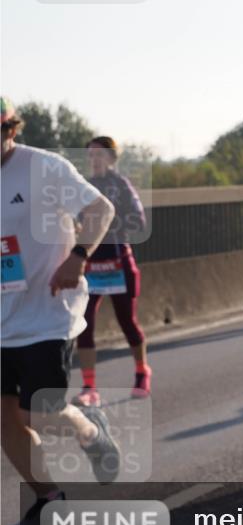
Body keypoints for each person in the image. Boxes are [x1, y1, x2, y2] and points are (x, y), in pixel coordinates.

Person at [1, 97, 122, 525]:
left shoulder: (43, 168)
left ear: (11, 129)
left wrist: (78, 256)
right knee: (5, 419)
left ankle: (90, 429)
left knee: (40, 414)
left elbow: (100, 210)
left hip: (46, 313)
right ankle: (48, 499)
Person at [73, 137, 149, 407]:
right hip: (91, 264)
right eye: (90, 155)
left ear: (111, 159)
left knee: (127, 322)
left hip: (118, 262)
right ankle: (89, 386)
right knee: (84, 324)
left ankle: (142, 372)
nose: (94, 160)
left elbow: (139, 221)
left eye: (99, 155)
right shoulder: (83, 186)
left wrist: (106, 222)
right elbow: (73, 219)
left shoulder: (121, 185)